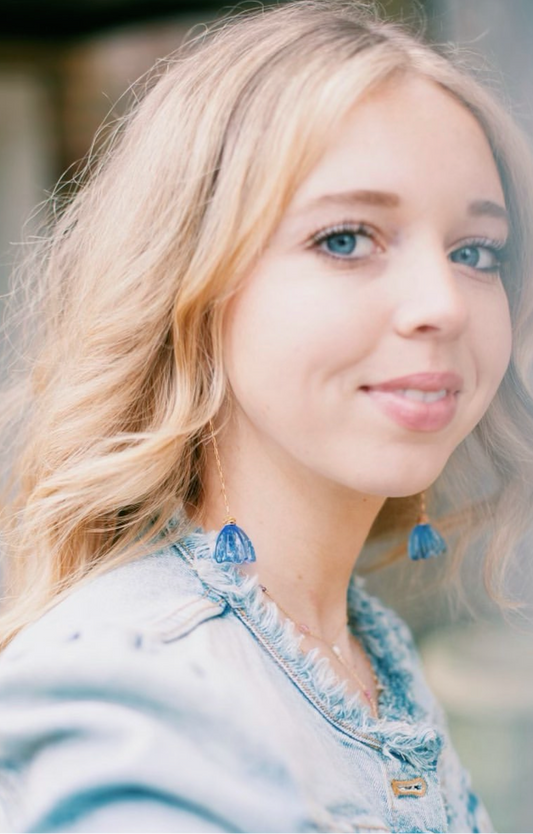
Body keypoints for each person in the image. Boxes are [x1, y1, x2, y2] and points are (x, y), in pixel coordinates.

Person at [0, 1, 532, 832]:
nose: (442, 305)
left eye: (475, 252)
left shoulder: (363, 647)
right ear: (193, 287)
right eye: (348, 239)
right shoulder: (134, 690)